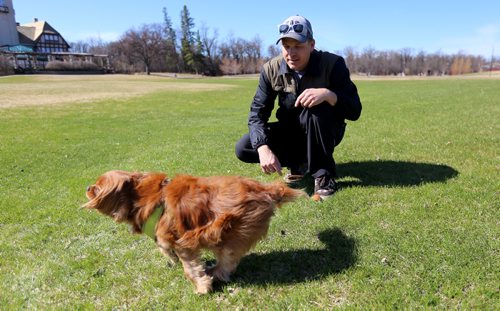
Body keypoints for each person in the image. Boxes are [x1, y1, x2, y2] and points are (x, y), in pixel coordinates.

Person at [235, 15, 362, 199]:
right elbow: (257, 113)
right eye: (286, 46)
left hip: (326, 129)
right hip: (292, 131)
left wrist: (329, 95)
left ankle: (323, 175)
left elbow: (354, 110)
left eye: (298, 46)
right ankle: (300, 163)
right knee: (245, 147)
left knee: (315, 107)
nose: (291, 53)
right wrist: (262, 147)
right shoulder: (270, 70)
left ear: (311, 44)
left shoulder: (333, 64)